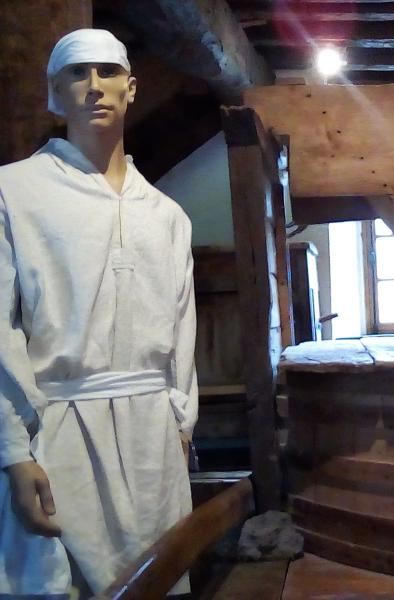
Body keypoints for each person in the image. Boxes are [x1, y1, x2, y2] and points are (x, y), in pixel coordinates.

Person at [0, 29, 198, 597]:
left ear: (131, 88)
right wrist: (12, 452)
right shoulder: (14, 192)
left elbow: (181, 330)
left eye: (108, 71)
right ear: (53, 92)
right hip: (56, 432)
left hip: (152, 441)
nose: (93, 86)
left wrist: (180, 424)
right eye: (76, 73)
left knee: (153, 580)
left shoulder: (165, 214)